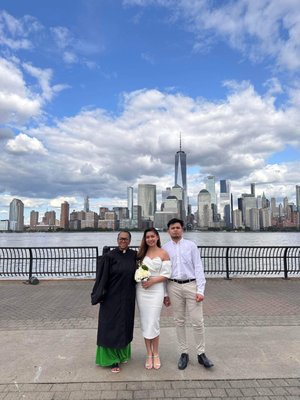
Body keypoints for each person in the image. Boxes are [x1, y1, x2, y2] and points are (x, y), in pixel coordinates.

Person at [163, 218, 214, 370]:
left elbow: (198, 267)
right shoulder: (164, 248)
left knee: (198, 321)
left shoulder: (191, 246)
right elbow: (164, 272)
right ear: (168, 231)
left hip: (191, 285)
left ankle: (201, 354)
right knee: (179, 321)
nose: (175, 230)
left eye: (178, 227)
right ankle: (183, 353)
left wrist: (200, 290)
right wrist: (166, 294)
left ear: (182, 229)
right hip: (173, 286)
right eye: (172, 228)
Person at [91, 230, 136, 373]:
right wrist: (99, 295)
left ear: (130, 241)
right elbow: (102, 278)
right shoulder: (109, 257)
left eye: (126, 239)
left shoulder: (133, 255)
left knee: (125, 324)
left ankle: (122, 354)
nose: (123, 241)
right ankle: (111, 359)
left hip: (128, 297)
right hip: (111, 297)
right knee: (110, 326)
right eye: (121, 239)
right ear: (117, 240)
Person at [136, 228, 172, 370]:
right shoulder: (141, 254)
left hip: (156, 290)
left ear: (157, 237)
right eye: (147, 237)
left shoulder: (163, 253)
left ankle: (156, 353)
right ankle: (148, 353)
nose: (150, 239)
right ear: (145, 239)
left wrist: (154, 283)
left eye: (152, 236)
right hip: (142, 290)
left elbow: (166, 275)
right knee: (145, 321)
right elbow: (137, 271)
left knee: (154, 321)